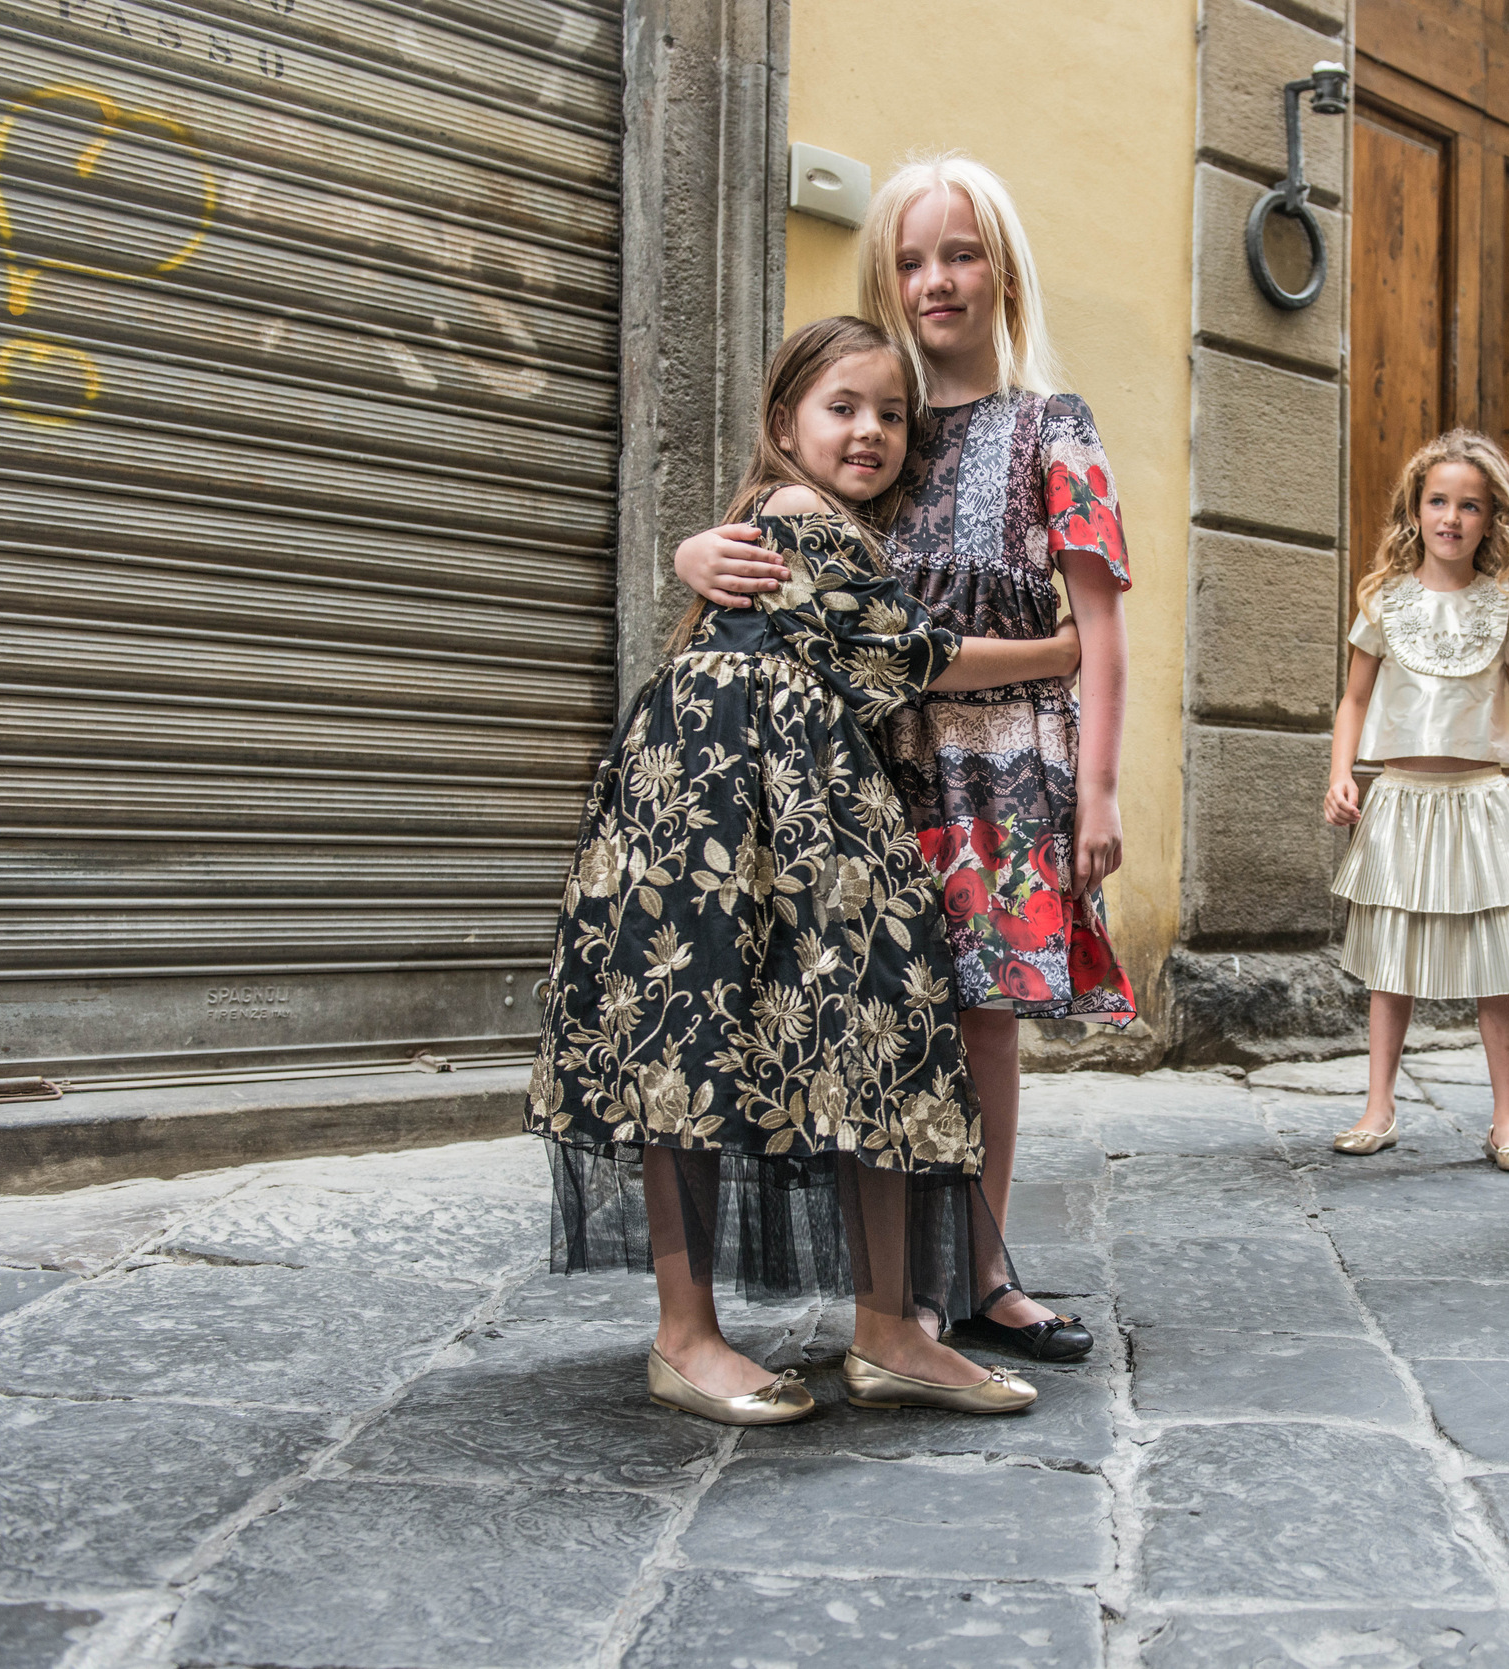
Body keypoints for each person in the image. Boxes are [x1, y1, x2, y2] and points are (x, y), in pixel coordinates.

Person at [527, 316, 1086, 1424]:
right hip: (722, 785)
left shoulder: (820, 522)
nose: (871, 431)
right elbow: (905, 651)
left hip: (797, 785)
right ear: (784, 421)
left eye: (891, 414)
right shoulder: (791, 511)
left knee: (868, 1025)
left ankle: (887, 1330)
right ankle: (686, 1337)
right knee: (695, 1028)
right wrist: (1065, 650)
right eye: (844, 408)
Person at [670, 156, 1130, 1362]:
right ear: (884, 273)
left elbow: (1100, 633)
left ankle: (976, 1269)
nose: (938, 279)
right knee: (886, 1020)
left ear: (1004, 269)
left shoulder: (1049, 424)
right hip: (864, 769)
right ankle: (899, 1292)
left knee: (985, 1026)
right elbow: (778, 520)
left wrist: (1101, 792)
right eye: (914, 258)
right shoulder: (878, 419)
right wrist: (689, 552)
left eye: (963, 252)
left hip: (1004, 775)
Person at [1323, 431, 1509, 1172]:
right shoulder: (1384, 602)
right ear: (1415, 509)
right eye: (1438, 500)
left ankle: (1507, 1118)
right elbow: (1354, 698)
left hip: (1481, 802)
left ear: (1490, 519)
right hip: (1404, 800)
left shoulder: (1506, 606)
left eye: (1469, 505)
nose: (1451, 516)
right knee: (1394, 960)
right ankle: (1379, 1104)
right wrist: (1341, 772)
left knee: (1496, 964)